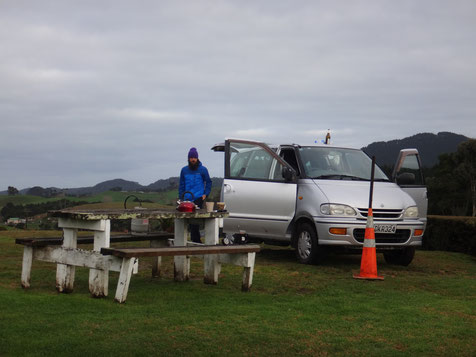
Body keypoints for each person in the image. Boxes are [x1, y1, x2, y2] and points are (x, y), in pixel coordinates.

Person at [179, 147, 212, 243]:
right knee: (186, 220)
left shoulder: (203, 169)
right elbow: (181, 184)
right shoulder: (184, 170)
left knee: (195, 219)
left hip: (198, 197)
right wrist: (181, 197)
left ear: (197, 158)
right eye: (191, 157)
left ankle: (196, 240)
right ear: (188, 159)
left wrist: (206, 194)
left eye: (194, 157)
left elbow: (208, 182)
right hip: (187, 198)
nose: (193, 159)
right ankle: (192, 240)